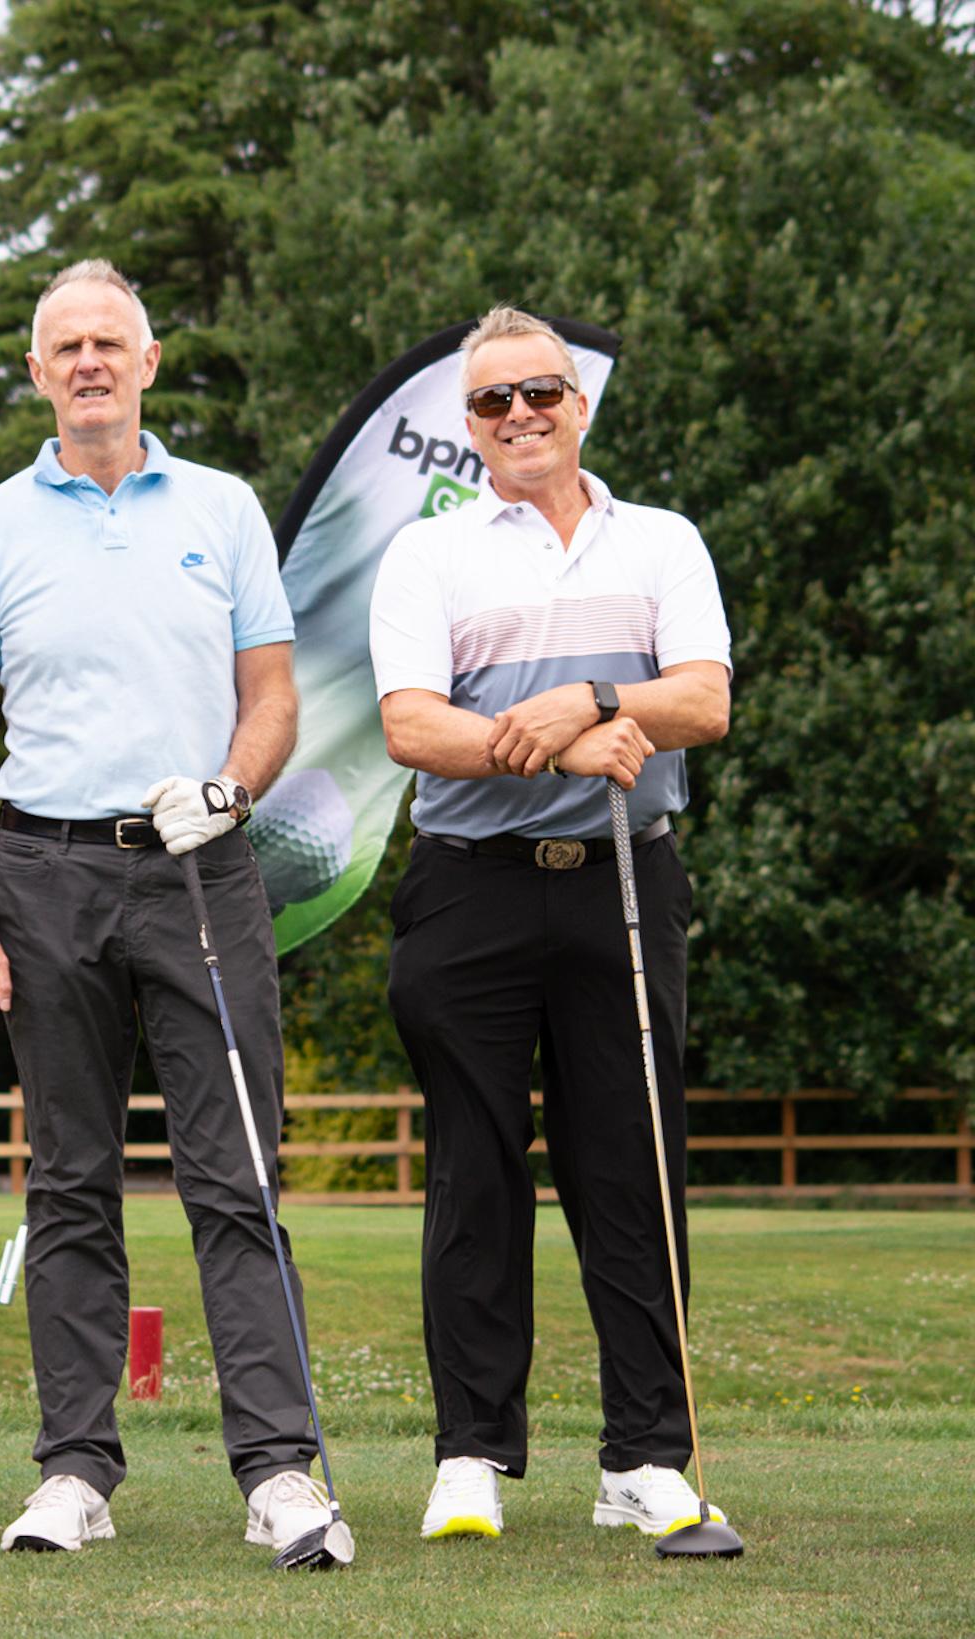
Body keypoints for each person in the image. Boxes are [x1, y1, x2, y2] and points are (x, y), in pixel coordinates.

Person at [0, 258, 350, 1564]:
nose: (90, 361)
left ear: (148, 361)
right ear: (37, 372)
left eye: (110, 341)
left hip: (199, 868)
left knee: (236, 1176)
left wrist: (231, 787)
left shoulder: (222, 507)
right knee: (68, 1180)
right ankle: (74, 1469)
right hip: (44, 872)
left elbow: (271, 696)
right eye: (67, 345)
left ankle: (278, 1469)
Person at [369, 304, 733, 1544]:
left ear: (578, 405)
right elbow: (410, 725)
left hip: (622, 875)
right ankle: (470, 1452)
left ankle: (645, 1456)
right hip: (467, 886)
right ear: (467, 426)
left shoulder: (662, 539)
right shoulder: (430, 553)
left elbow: (702, 701)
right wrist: (565, 740)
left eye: (538, 393)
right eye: (491, 401)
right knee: (475, 1173)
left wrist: (586, 696)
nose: (518, 414)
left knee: (628, 1169)